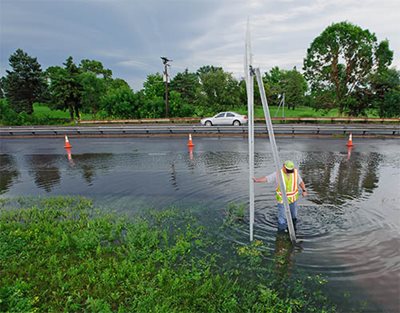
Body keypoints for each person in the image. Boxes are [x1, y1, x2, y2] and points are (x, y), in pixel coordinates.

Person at [253, 160, 308, 232]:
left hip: (293, 199)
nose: (289, 171)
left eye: (290, 170)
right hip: (282, 201)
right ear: (283, 167)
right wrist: (257, 180)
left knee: (293, 217)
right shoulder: (278, 174)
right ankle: (281, 234)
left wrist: (304, 190)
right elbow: (267, 178)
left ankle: (293, 229)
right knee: (282, 220)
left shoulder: (295, 173)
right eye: (288, 170)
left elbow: (301, 182)